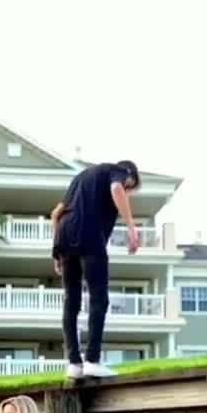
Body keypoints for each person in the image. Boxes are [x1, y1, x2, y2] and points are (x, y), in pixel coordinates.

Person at [51, 160, 141, 379]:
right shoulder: (117, 171)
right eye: (130, 187)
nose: (127, 192)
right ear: (129, 175)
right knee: (99, 298)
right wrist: (131, 227)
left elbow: (56, 214)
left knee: (71, 301)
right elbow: (116, 188)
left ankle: (74, 364)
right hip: (89, 236)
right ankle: (92, 360)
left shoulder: (81, 178)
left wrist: (56, 251)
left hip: (65, 236)